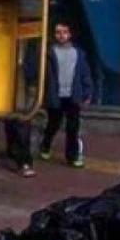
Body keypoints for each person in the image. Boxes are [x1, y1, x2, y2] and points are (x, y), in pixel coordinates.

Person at [38, 21, 94, 167]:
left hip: (73, 95)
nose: (61, 35)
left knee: (73, 128)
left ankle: (72, 157)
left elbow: (85, 74)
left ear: (70, 34)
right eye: (58, 32)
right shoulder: (49, 53)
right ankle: (45, 145)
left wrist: (87, 92)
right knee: (53, 124)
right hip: (55, 95)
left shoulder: (78, 53)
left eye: (64, 32)